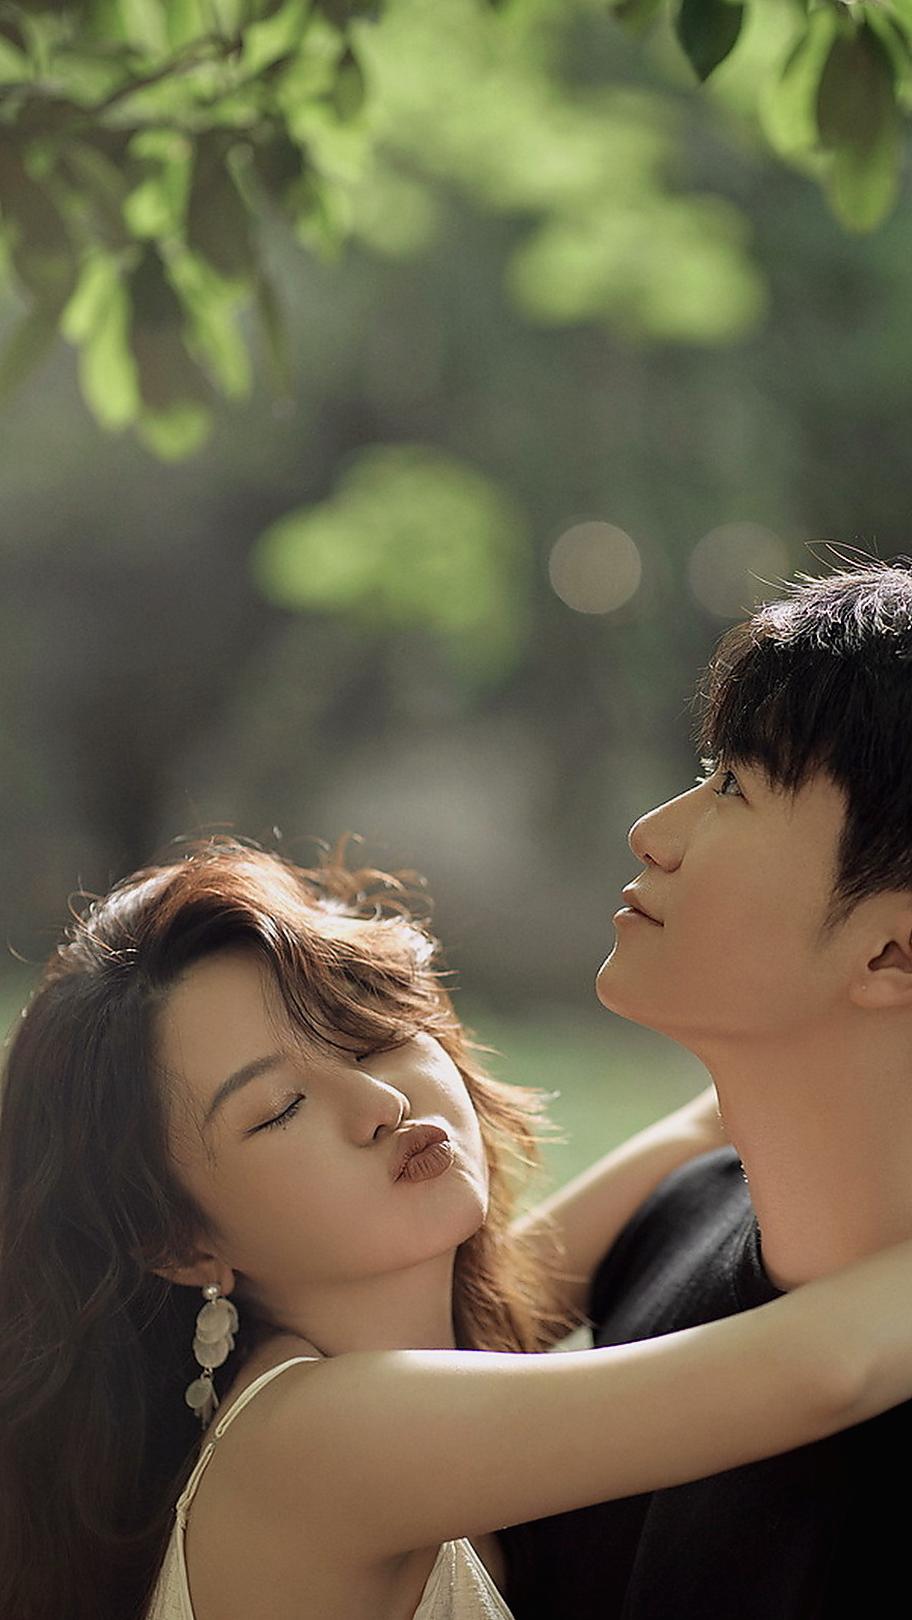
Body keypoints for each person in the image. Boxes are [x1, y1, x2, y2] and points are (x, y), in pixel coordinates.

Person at [3, 835, 912, 1620]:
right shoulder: (313, 1445)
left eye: (366, 1034)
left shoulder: (424, 1335)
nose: (380, 1102)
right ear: (179, 1244)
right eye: (280, 1109)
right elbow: (824, 1370)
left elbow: (706, 1126)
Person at [500, 555, 912, 1620]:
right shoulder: (672, 1218)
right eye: (709, 769)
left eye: (736, 785)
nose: (653, 832)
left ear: (894, 954)